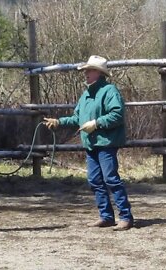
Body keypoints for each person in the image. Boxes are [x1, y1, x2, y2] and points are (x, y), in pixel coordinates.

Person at [44, 55, 134, 231]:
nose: (85, 73)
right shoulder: (85, 95)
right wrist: (59, 122)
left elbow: (117, 115)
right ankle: (106, 216)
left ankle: (125, 216)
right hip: (91, 144)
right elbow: (77, 118)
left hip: (106, 142)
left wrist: (97, 123)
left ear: (99, 73)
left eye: (89, 70)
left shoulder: (110, 91)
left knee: (111, 179)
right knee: (95, 180)